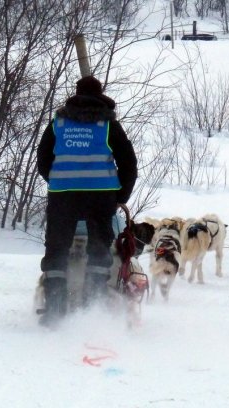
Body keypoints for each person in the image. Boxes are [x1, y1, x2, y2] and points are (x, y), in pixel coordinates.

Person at [37, 76, 138, 326]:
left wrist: (58, 179)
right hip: (100, 196)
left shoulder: (58, 124)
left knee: (57, 249)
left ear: (76, 93)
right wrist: (120, 196)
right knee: (100, 250)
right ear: (100, 94)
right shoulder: (108, 126)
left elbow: (42, 158)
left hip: (63, 196)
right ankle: (94, 308)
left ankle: (55, 310)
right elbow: (128, 163)